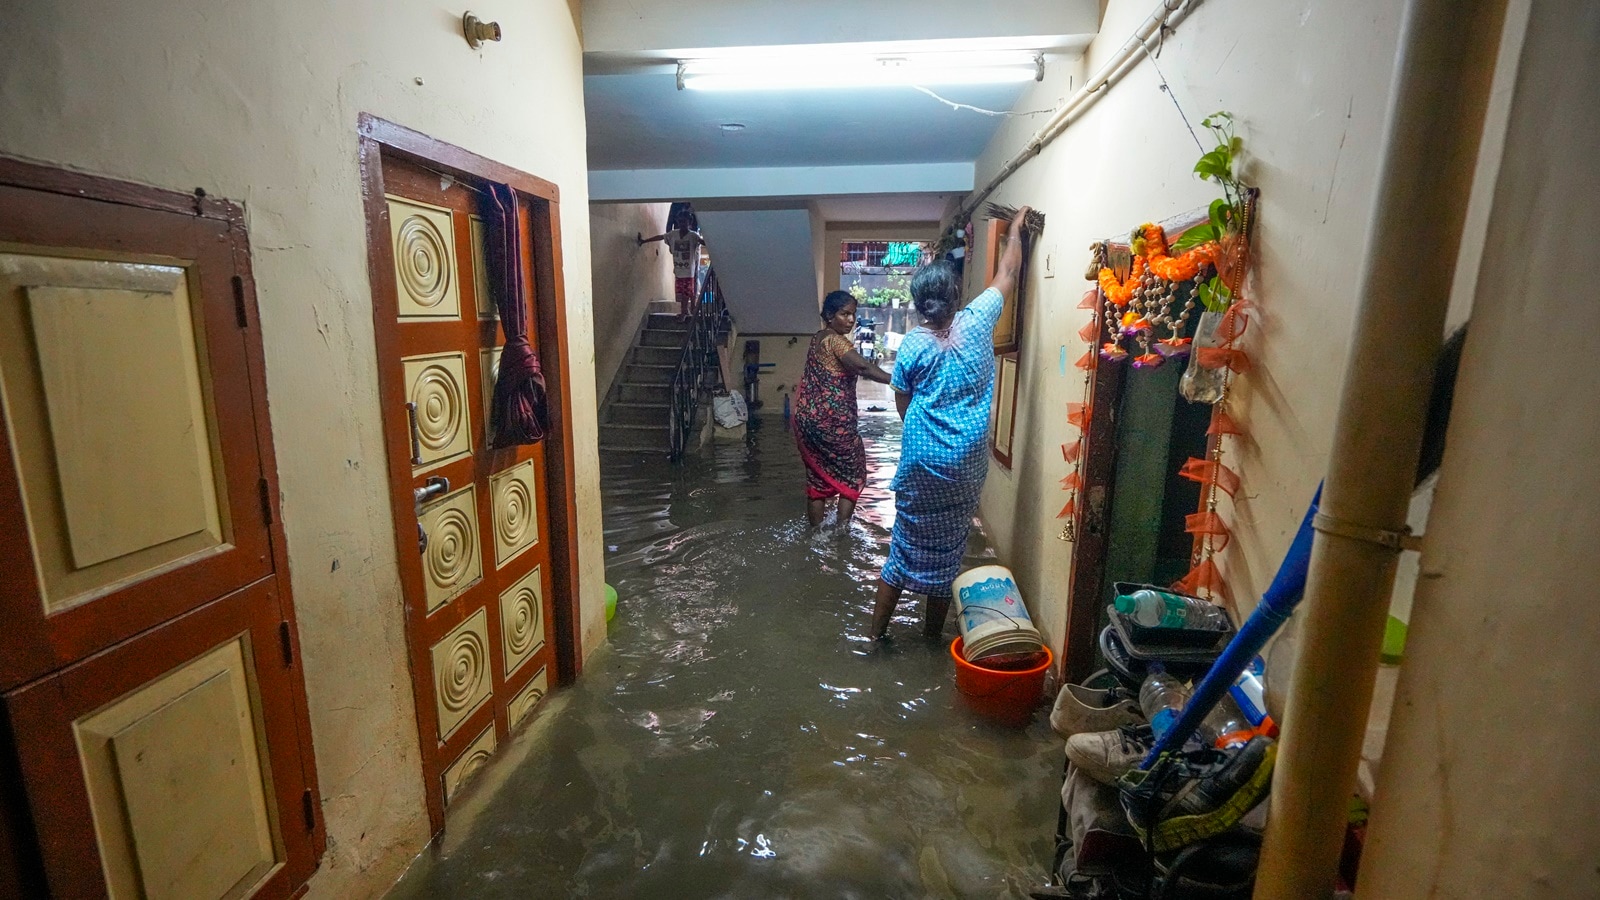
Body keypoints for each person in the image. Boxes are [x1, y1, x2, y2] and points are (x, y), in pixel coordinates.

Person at [871, 206, 1031, 640]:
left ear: (918, 305)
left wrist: (923, 435)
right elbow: (1009, 272)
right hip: (965, 465)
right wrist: (1016, 230)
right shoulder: (978, 322)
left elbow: (903, 401)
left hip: (922, 461)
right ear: (956, 294)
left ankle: (875, 640)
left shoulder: (912, 347)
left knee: (901, 552)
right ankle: (929, 640)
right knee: (948, 554)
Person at [794, 291, 893, 527]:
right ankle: (841, 532)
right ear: (830, 315)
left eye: (853, 314)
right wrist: (899, 380)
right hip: (833, 424)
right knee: (854, 472)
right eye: (844, 314)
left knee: (817, 478)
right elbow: (864, 368)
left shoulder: (818, 337)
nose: (851, 320)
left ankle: (815, 533)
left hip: (807, 420)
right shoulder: (836, 341)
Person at [637, 207, 708, 319]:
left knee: (686, 292)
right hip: (678, 270)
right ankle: (687, 311)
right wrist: (644, 241)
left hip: (689, 271)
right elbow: (661, 237)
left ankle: (684, 313)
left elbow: (703, 242)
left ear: (689, 223)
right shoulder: (673, 234)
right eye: (680, 222)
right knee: (682, 293)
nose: (682, 224)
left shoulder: (693, 236)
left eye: (684, 222)